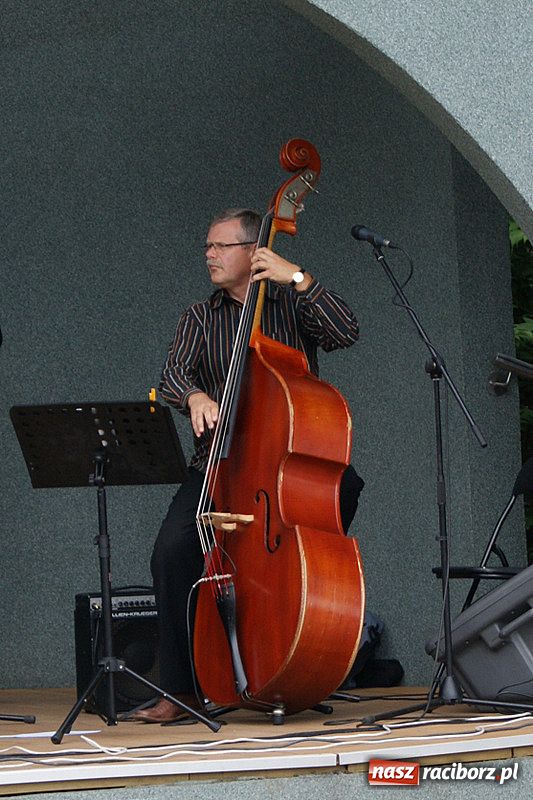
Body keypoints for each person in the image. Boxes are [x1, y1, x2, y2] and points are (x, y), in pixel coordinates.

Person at [132, 208, 364, 723]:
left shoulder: (288, 304)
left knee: (339, 492)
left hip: (284, 471)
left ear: (254, 251)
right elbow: (172, 373)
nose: (210, 255)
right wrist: (193, 395)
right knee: (171, 551)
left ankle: (296, 657)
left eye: (220, 246)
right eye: (207, 248)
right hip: (220, 465)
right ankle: (181, 689)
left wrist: (299, 277)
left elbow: (346, 329)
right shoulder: (201, 316)